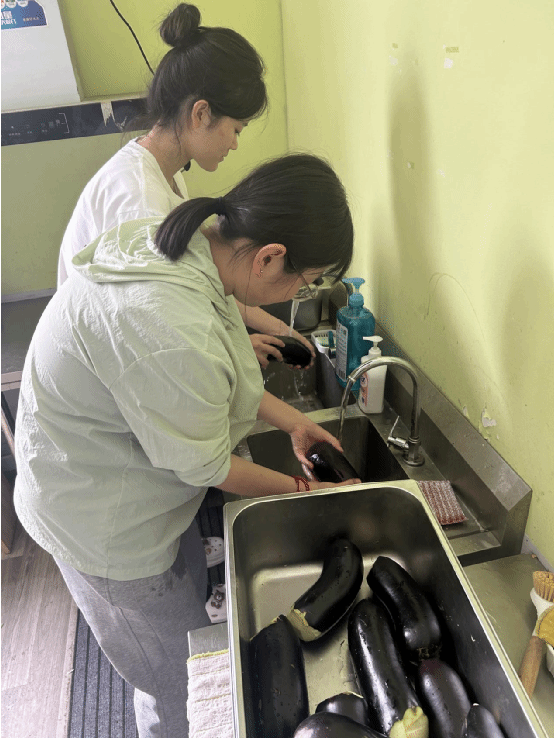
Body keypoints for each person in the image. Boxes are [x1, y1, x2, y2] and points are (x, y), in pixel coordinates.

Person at [14, 153, 358, 738]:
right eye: (306, 280)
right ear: (270, 256)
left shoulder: (194, 247)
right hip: (100, 525)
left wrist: (294, 425)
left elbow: (219, 375)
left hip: (121, 485)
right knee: (180, 685)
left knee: (192, 628)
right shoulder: (171, 323)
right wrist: (305, 492)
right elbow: (211, 465)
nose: (300, 291)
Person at [57, 2, 314, 369]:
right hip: (103, 371)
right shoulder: (139, 200)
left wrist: (274, 328)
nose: (234, 144)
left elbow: (198, 283)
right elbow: (151, 332)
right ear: (201, 113)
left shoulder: (168, 172)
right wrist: (235, 348)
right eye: (236, 129)